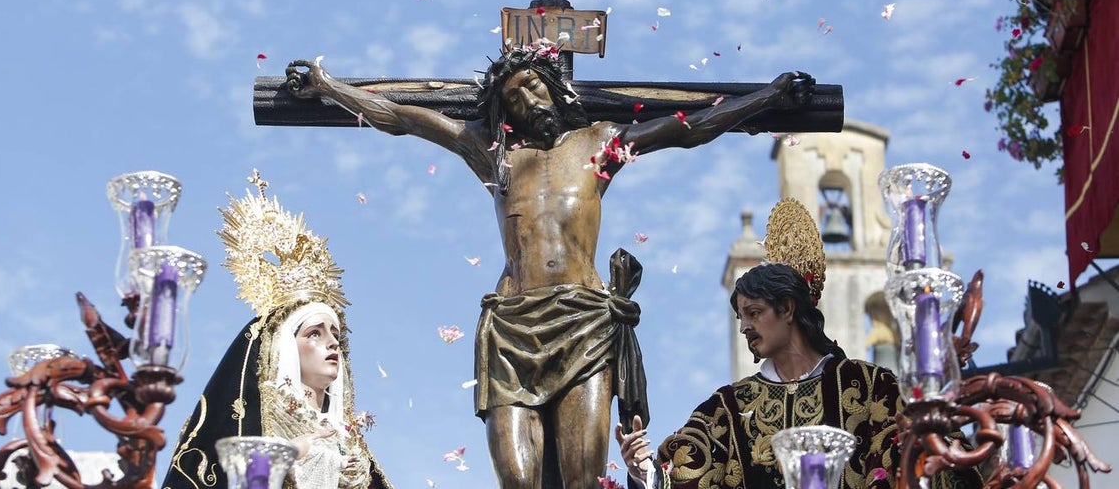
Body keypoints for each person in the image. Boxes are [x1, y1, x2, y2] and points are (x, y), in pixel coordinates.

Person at [285, 47, 815, 489]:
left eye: (534, 86)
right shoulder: (495, 156)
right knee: (517, 480)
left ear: (556, 90)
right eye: (514, 96)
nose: (528, 100)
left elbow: (692, 127)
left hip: (582, 322)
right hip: (512, 326)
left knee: (583, 479)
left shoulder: (599, 145)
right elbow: (405, 118)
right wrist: (327, 85)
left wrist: (770, 95)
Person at [616, 199, 902, 489]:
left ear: (787, 308)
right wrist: (645, 473)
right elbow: (682, 476)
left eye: (754, 313)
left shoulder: (870, 387)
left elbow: (909, 465)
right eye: (741, 317)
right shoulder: (726, 408)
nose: (744, 327)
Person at [163, 172, 392, 489]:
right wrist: (295, 453)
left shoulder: (352, 450)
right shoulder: (260, 433)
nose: (332, 344)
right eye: (314, 333)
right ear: (283, 348)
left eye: (335, 335)